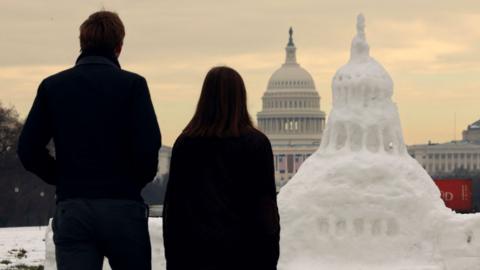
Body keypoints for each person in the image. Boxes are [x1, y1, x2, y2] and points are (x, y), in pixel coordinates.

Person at [17, 11, 160, 270]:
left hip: (74, 206)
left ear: (82, 43)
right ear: (119, 47)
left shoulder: (53, 86)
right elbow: (149, 148)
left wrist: (61, 176)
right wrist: (131, 182)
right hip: (123, 207)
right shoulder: (133, 86)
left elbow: (28, 149)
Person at [163, 66, 280, 270]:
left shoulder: (185, 143)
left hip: (195, 255)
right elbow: (265, 210)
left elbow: (174, 210)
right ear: (241, 99)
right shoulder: (256, 144)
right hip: (244, 255)